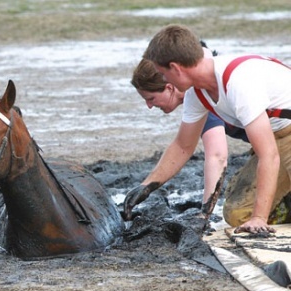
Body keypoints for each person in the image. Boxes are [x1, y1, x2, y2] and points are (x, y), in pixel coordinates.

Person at [124, 24, 291, 234]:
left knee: (256, 217)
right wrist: (147, 186)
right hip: (276, 139)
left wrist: (259, 218)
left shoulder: (238, 83)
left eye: (163, 74)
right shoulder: (197, 93)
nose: (165, 81)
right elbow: (183, 146)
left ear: (175, 68)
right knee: (237, 214)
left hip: (282, 139)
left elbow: (268, 155)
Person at [131, 57, 248, 217]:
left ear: (170, 87)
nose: (149, 106)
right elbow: (182, 146)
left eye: (151, 99)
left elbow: (217, 156)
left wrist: (205, 214)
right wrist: (146, 186)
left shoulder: (201, 94)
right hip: (270, 141)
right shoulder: (195, 99)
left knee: (238, 213)